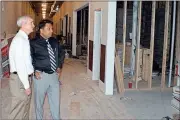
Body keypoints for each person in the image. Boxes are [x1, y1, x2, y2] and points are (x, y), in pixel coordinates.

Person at [30, 19, 65, 120]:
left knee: (55, 101)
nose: (51, 30)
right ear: (41, 30)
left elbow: (61, 53)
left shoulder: (54, 41)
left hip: (54, 76)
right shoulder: (33, 43)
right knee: (39, 103)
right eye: (48, 28)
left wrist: (59, 66)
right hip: (41, 76)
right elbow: (29, 58)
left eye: (52, 28)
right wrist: (34, 70)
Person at [8, 15, 35, 119]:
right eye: (31, 23)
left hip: (23, 78)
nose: (33, 25)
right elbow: (20, 65)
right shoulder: (20, 40)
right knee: (18, 110)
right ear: (24, 25)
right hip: (20, 79)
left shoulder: (23, 38)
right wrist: (26, 85)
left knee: (25, 107)